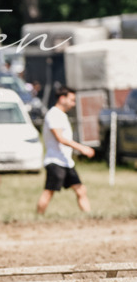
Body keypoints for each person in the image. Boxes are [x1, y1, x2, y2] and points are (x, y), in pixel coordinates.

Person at [37, 86, 95, 215]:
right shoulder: (53, 115)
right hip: (55, 161)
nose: (73, 104)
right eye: (72, 100)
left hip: (66, 161)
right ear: (62, 98)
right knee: (49, 192)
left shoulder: (62, 115)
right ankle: (38, 218)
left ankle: (90, 218)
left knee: (81, 190)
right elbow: (60, 138)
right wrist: (82, 148)